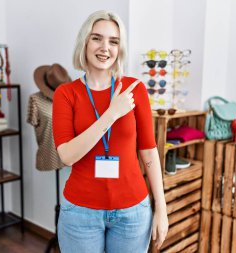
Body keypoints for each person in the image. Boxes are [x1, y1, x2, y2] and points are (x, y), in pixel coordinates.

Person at [52, 10, 168, 253]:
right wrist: (112, 113)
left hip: (133, 213)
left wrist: (162, 208)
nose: (105, 47)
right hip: (80, 214)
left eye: (113, 41)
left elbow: (148, 151)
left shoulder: (134, 89)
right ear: (84, 41)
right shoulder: (66, 93)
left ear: (120, 48)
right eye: (97, 38)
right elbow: (67, 155)